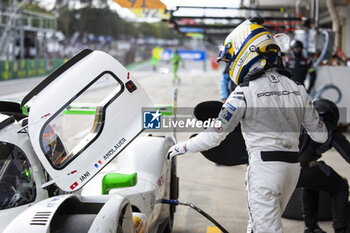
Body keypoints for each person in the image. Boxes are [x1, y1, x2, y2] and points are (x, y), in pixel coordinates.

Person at [167, 17, 328, 233]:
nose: (231, 64)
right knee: (257, 226)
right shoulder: (297, 87)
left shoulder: (243, 92)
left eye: (232, 58)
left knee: (265, 229)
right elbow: (321, 135)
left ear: (247, 52)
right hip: (292, 169)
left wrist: (179, 148)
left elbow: (213, 137)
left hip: (264, 171)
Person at [297, 99, 350, 233]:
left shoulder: (299, 121)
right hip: (306, 168)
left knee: (311, 181)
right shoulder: (328, 127)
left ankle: (311, 227)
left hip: (281, 169)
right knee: (340, 186)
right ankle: (340, 229)